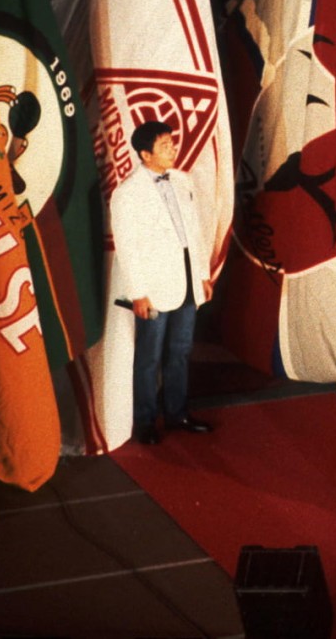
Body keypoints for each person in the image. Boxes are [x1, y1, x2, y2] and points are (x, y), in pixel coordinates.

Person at [112, 120, 214, 444]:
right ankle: (144, 422)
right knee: (149, 357)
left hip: (186, 279)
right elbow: (127, 246)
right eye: (164, 145)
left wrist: (201, 276)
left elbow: (192, 234)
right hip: (154, 288)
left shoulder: (183, 181)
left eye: (172, 142)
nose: (172, 148)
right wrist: (138, 293)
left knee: (181, 350)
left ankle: (177, 414)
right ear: (145, 154)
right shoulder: (127, 193)